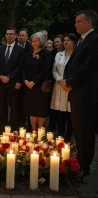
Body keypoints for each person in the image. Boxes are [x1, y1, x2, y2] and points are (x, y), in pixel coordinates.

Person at [63, 9, 98, 176]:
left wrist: (69, 82)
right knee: (78, 128)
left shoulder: (94, 40)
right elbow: (72, 65)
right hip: (76, 91)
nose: (75, 24)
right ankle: (80, 158)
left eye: (78, 21)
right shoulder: (82, 41)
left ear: (88, 22)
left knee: (85, 130)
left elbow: (88, 67)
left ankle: (84, 165)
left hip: (85, 93)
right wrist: (66, 81)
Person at [0, 27, 25, 131]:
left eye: (11, 34)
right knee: (1, 105)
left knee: (14, 105)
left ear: (15, 36)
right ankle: (1, 126)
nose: (9, 36)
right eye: (7, 34)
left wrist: (10, 77)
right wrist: (0, 76)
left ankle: (13, 127)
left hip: (13, 82)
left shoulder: (20, 50)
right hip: (1, 82)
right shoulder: (0, 48)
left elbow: (20, 66)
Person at [50, 33, 77, 141]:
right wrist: (59, 80)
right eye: (64, 40)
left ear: (74, 42)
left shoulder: (77, 55)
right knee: (60, 112)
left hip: (71, 87)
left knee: (70, 112)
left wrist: (68, 82)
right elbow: (54, 69)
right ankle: (60, 134)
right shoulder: (59, 55)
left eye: (68, 40)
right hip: (59, 85)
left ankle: (69, 136)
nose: (65, 42)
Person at [22, 32, 52, 131]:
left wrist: (34, 82)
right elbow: (23, 69)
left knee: (40, 110)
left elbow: (46, 69)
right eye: (33, 41)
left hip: (40, 87)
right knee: (32, 110)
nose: (34, 43)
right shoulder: (28, 54)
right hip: (29, 87)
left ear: (41, 42)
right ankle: (34, 131)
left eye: (36, 41)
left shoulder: (46, 53)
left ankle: (41, 132)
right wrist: (26, 80)